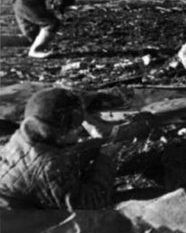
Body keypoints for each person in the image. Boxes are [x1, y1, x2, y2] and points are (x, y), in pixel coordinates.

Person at [0, 88, 148, 210]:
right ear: (57, 133)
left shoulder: (25, 135)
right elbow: (91, 204)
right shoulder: (48, 167)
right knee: (143, 199)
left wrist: (98, 142)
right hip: (26, 222)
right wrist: (106, 158)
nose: (78, 130)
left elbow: (65, 154)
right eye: (75, 126)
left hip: (23, 194)